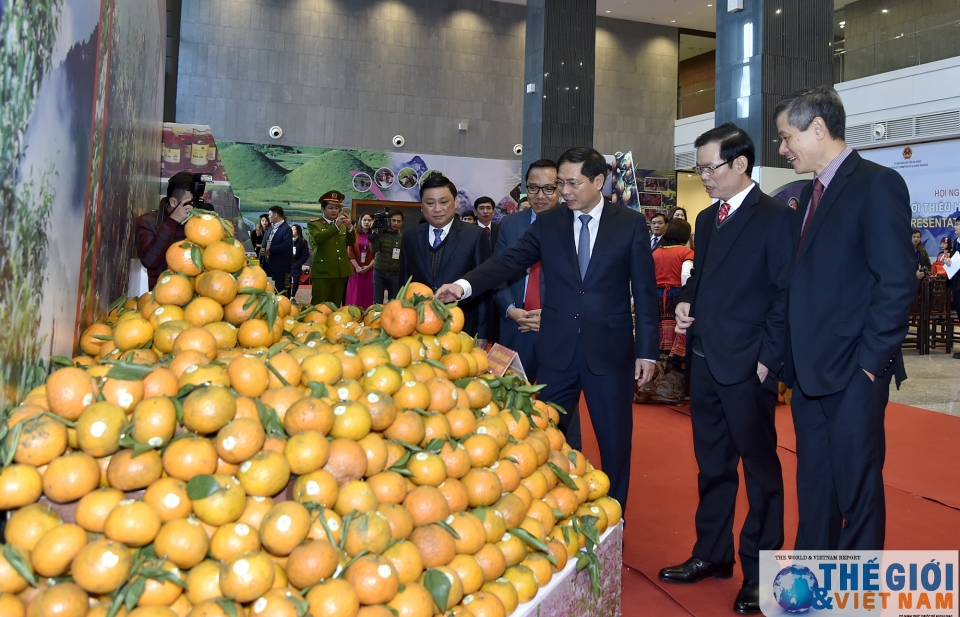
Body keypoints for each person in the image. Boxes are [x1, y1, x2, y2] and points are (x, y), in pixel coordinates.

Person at [435, 147, 660, 508]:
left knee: (615, 444)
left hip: (610, 352)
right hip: (558, 352)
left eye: (573, 183)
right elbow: (508, 261)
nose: (565, 191)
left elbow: (645, 292)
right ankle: (555, 509)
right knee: (546, 437)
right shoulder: (550, 223)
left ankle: (616, 516)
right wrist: (463, 286)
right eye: (561, 183)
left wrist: (648, 350)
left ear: (599, 181)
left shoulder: (629, 223)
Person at [660, 123, 795, 615]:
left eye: (709, 167)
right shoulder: (707, 217)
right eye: (699, 167)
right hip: (704, 360)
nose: (703, 176)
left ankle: (762, 573)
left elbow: (785, 294)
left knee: (761, 473)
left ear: (740, 164)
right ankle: (712, 554)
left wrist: (768, 360)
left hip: (749, 366)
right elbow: (703, 279)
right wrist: (684, 303)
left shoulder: (777, 218)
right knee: (712, 467)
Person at [776, 85, 915, 551]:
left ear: (817, 129)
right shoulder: (804, 193)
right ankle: (812, 590)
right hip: (808, 374)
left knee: (856, 493)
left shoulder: (876, 184)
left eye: (786, 136)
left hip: (853, 372)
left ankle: (856, 597)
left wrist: (869, 365)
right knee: (815, 490)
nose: (782, 148)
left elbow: (895, 283)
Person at [399, 174, 492, 343]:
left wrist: (483, 332)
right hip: (419, 328)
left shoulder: (474, 236)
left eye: (443, 202)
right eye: (430, 203)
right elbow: (403, 284)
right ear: (421, 206)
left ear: (456, 202)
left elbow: (484, 285)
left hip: (461, 328)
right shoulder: (410, 237)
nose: (437, 208)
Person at [493, 159, 560, 383]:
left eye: (549, 188)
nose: (540, 195)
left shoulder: (573, 225)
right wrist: (511, 310)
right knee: (509, 401)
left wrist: (551, 314)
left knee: (555, 405)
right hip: (514, 324)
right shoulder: (510, 224)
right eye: (533, 188)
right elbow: (498, 272)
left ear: (560, 187)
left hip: (556, 328)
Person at [135, 171, 194, 290]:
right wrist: (172, 222)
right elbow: (150, 261)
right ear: (173, 202)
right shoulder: (148, 222)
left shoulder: (199, 223)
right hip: (165, 293)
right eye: (189, 203)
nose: (194, 208)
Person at [652, 218, 694, 354]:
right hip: (676, 295)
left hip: (656, 296)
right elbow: (686, 275)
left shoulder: (655, 252)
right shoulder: (686, 252)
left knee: (658, 331)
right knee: (678, 332)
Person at [308, 191, 356, 306]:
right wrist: (336, 226)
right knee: (318, 304)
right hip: (322, 271)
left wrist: (350, 228)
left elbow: (350, 242)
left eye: (337, 208)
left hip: (339, 271)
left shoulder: (343, 225)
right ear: (323, 209)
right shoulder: (315, 224)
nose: (334, 211)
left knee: (335, 305)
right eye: (331, 208)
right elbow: (318, 239)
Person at [371, 210, 404, 303]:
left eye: (398, 221)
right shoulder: (380, 235)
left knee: (394, 301)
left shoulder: (403, 237)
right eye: (393, 220)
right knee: (377, 301)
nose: (395, 223)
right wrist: (374, 234)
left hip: (395, 274)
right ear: (389, 220)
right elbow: (373, 249)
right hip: (379, 272)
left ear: (402, 223)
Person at [260, 206, 293, 297]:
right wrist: (263, 252)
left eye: (270, 215)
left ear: (275, 215)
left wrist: (271, 250)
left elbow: (287, 245)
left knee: (279, 290)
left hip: (279, 266)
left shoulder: (286, 229)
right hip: (267, 264)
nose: (268, 217)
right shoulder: (270, 228)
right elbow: (265, 242)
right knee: (268, 290)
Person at [346, 213, 376, 308]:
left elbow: (377, 254)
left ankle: (366, 316)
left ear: (372, 222)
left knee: (367, 293)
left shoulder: (375, 236)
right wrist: (357, 267)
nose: (367, 222)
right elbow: (350, 252)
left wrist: (369, 267)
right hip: (356, 269)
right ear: (360, 221)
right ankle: (353, 315)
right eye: (364, 220)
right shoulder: (354, 235)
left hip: (369, 269)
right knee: (354, 293)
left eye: (369, 220)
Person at [289, 224, 312, 301]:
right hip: (288, 263)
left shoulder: (302, 241)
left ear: (298, 231)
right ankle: (287, 295)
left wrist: (299, 263)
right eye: (291, 229)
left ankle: (292, 296)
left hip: (297, 263)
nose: (292, 231)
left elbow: (306, 254)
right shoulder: (288, 239)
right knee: (287, 281)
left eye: (294, 229)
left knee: (296, 280)